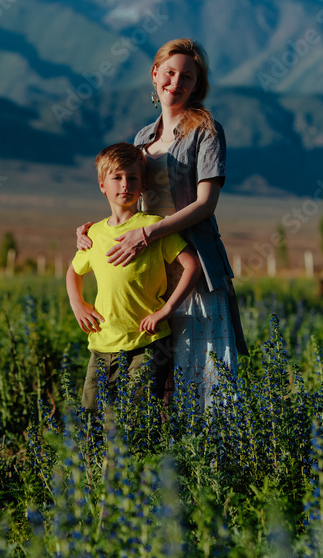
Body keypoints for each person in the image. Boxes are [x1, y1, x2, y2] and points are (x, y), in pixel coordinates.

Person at [77, 38, 248, 410]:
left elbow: (206, 204)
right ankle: (164, 461)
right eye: (169, 72)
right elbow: (126, 202)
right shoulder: (141, 139)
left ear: (196, 83)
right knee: (156, 375)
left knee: (204, 372)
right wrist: (91, 231)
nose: (176, 82)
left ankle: (216, 458)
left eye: (187, 76)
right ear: (155, 75)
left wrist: (148, 233)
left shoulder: (207, 130)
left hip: (195, 266)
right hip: (149, 271)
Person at [66, 142, 201, 412]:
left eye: (133, 177)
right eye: (116, 177)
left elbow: (192, 265)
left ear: (143, 185)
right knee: (92, 416)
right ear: (102, 184)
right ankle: (100, 458)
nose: (125, 184)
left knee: (139, 421)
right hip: (102, 343)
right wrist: (77, 303)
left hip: (147, 343)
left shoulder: (152, 227)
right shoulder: (94, 234)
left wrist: (166, 310)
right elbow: (74, 270)